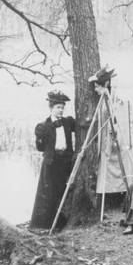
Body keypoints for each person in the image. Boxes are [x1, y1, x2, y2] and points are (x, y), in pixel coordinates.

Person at [29, 90, 76, 229]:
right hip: (51, 162)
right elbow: (40, 148)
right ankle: (44, 224)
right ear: (51, 108)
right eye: (58, 107)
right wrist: (40, 138)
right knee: (48, 193)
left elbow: (81, 126)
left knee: (63, 190)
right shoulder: (43, 126)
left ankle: (61, 222)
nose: (60, 110)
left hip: (65, 161)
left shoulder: (68, 122)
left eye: (62, 107)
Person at [88, 66, 131, 210]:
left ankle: (121, 200)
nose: (95, 90)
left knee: (118, 170)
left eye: (97, 87)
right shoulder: (103, 100)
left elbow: (116, 121)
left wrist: (112, 140)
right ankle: (109, 200)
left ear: (105, 85)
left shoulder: (113, 100)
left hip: (113, 142)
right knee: (107, 172)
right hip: (105, 140)